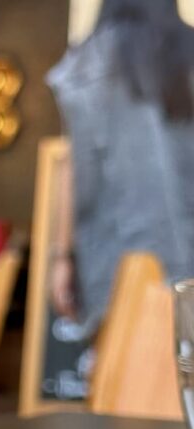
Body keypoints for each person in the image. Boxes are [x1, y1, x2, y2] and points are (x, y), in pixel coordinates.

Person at [47, 0, 194, 337]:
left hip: (113, 262)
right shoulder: (188, 56)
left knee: (122, 377)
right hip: (188, 258)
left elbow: (74, 168)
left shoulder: (85, 65)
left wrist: (61, 259)